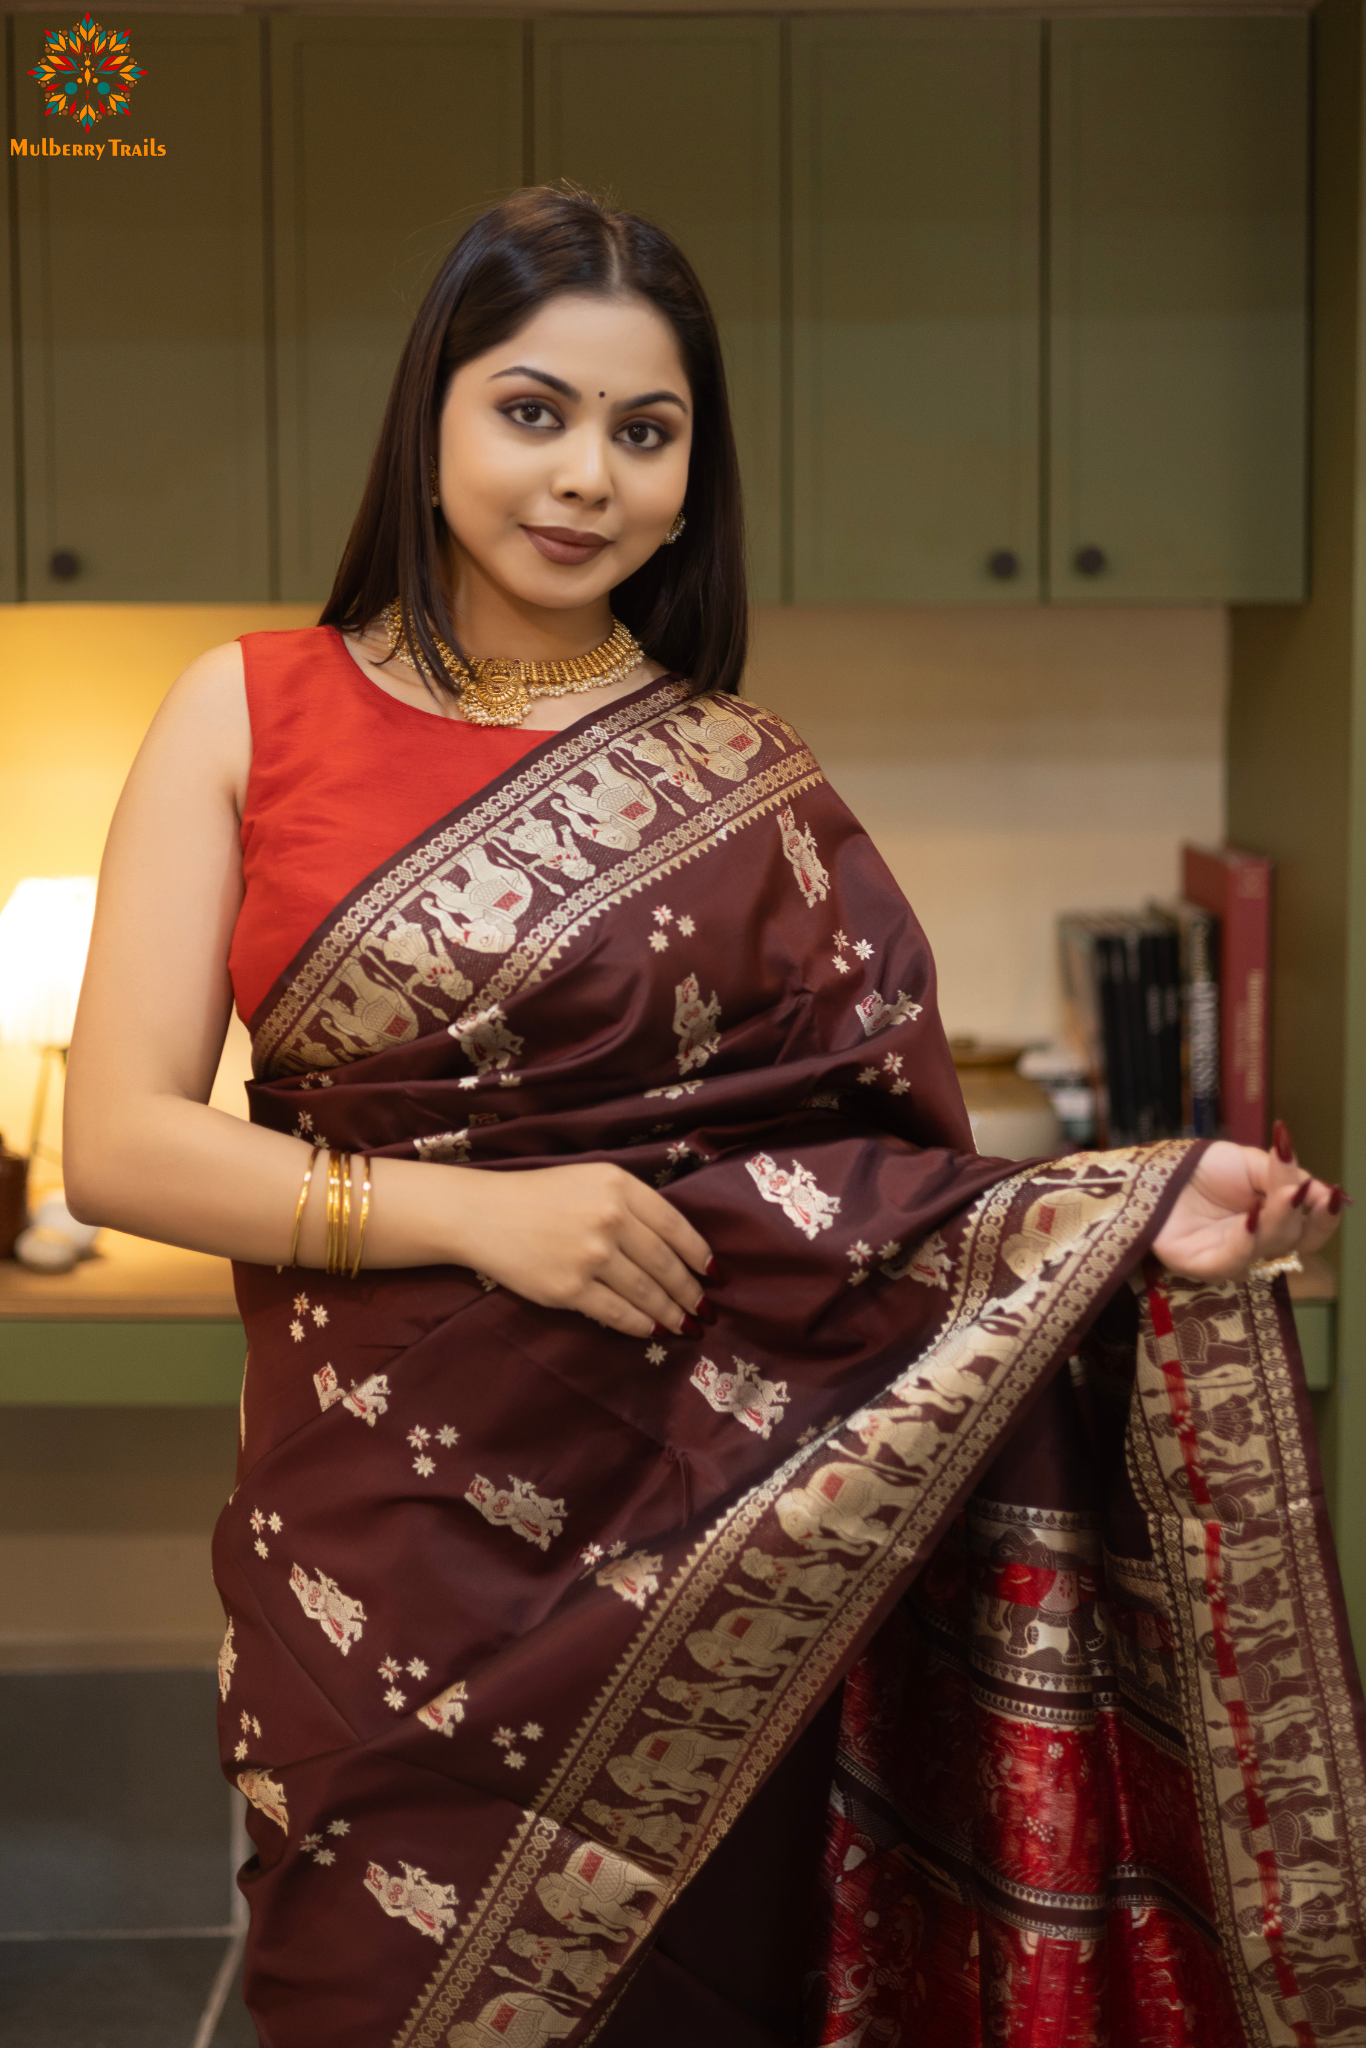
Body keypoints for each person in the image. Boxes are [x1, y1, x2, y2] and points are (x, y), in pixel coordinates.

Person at [64, 187, 1364, 2048]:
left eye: (644, 430)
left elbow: (862, 1196)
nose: (585, 473)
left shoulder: (743, 783)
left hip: (702, 1569)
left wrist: (1129, 1211)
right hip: (378, 1564)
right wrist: (482, 1215)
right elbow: (120, 1140)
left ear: (691, 476)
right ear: (431, 418)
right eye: (533, 410)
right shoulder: (249, 711)